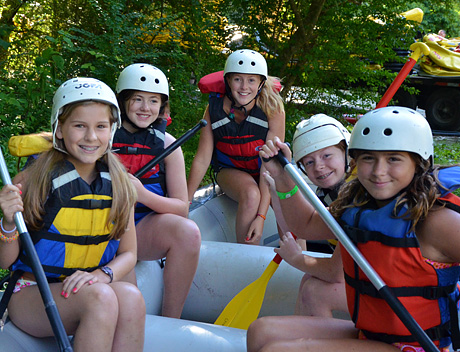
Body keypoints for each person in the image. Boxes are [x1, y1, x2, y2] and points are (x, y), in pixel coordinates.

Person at [248, 106, 460, 352]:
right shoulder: (359, 206)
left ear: (419, 162)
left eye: (393, 158)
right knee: (261, 332)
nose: (379, 171)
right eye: (368, 158)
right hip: (373, 333)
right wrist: (282, 177)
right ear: (355, 161)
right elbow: (305, 225)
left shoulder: (436, 220)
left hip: (420, 345)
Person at [0, 77, 145, 352]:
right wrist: (8, 222)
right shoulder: (34, 180)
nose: (91, 137)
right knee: (100, 297)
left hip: (88, 288)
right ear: (59, 129)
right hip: (32, 295)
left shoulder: (120, 183)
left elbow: (129, 254)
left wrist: (103, 274)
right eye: (80, 126)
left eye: (101, 127)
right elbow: (5, 261)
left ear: (111, 130)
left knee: (131, 297)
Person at [113, 63, 201, 319]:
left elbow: (181, 208)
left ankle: (171, 318)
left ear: (162, 106)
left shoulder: (168, 145)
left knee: (188, 232)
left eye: (153, 101)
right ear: (123, 102)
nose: (145, 108)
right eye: (137, 99)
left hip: (143, 228)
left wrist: (142, 194)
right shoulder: (102, 139)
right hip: (105, 229)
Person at [187, 49, 285, 244]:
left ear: (260, 83)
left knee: (284, 200)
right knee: (251, 194)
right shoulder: (213, 109)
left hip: (266, 170)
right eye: (237, 79)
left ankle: (299, 266)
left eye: (251, 80)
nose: (244, 87)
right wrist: (185, 201)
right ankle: (248, 259)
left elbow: (269, 166)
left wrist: (261, 217)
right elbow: (203, 157)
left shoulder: (273, 109)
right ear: (228, 81)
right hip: (230, 171)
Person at [263, 113, 351, 317]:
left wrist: (297, 258)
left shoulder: (358, 193)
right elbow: (300, 228)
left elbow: (334, 273)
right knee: (309, 281)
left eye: (327, 156)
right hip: (365, 277)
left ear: (346, 152)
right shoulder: (331, 193)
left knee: (314, 291)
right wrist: (279, 181)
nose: (319, 166)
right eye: (309, 162)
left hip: (395, 292)